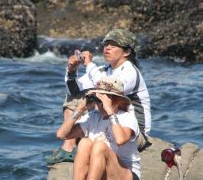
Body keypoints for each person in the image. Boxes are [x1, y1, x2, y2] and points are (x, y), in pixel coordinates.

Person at [45, 28, 151, 165]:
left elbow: (106, 87)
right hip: (108, 124)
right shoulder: (103, 70)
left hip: (131, 133)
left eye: (113, 46)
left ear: (127, 52)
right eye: (106, 45)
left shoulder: (131, 72)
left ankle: (73, 146)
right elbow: (74, 91)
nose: (107, 48)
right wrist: (72, 71)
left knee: (95, 96)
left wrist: (89, 64)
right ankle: (69, 147)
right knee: (74, 98)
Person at [55, 76, 142, 180]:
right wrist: (80, 109)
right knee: (84, 143)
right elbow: (61, 134)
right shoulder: (93, 117)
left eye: (103, 100)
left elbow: (121, 140)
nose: (99, 105)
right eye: (97, 100)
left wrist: (110, 110)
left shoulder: (127, 118)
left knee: (100, 146)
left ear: (118, 101)